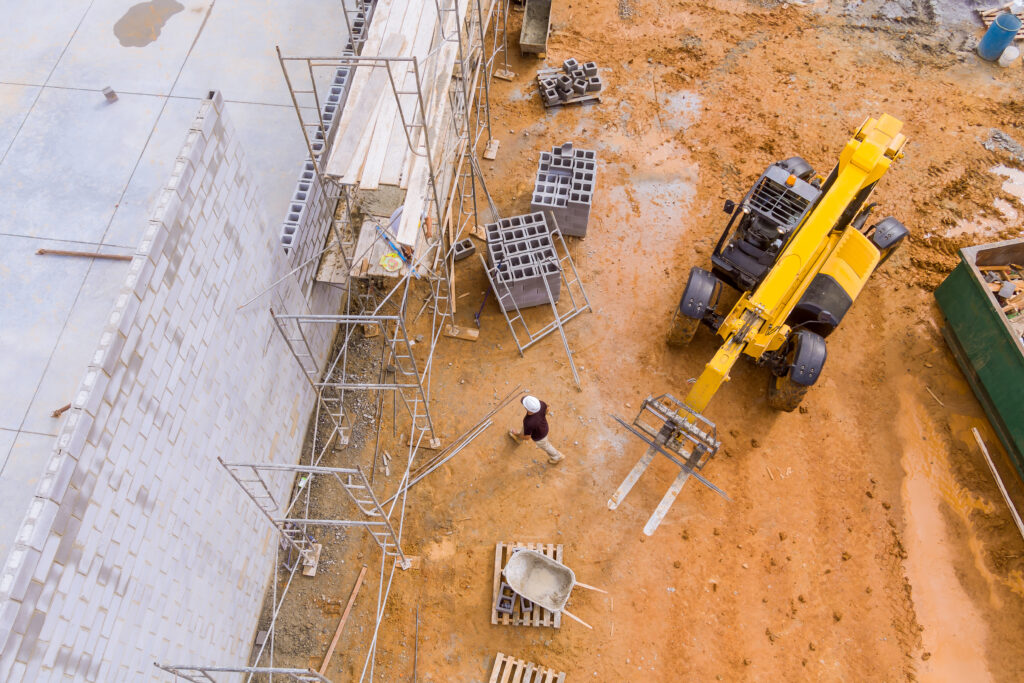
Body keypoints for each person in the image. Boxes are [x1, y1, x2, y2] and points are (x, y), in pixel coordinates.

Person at [509, 395, 564, 464]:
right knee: (526, 429)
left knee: (546, 446)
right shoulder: (541, 404)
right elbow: (547, 409)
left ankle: (557, 457)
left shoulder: (528, 422)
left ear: (528, 409)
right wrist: (541, 417)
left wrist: (516, 434)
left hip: (540, 436)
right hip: (543, 426)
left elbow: (527, 437)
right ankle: (519, 439)